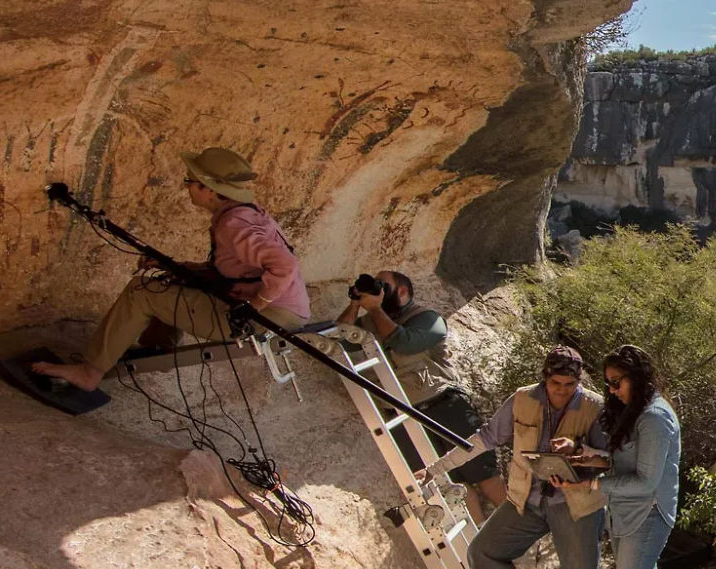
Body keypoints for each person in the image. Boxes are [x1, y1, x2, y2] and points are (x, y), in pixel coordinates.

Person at [33, 147, 311, 390]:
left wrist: (255, 306)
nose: (186, 186)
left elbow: (284, 265)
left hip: (267, 317)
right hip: (284, 312)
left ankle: (88, 373)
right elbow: (236, 270)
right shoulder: (244, 213)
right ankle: (156, 349)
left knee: (140, 291)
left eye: (190, 182)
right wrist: (180, 268)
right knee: (172, 281)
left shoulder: (233, 225)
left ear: (209, 189)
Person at [336, 270, 507, 523]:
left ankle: (521, 536)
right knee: (448, 483)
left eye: (383, 285)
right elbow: (340, 338)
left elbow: (404, 342)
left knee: (485, 475)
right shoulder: (370, 323)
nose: (378, 290)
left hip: (445, 405)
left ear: (402, 292)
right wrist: (355, 302)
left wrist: (373, 309)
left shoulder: (428, 319)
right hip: (403, 416)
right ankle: (481, 544)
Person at [418, 346, 608, 569]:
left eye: (570, 385)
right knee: (482, 553)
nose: (562, 391)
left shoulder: (595, 406)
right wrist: (434, 469)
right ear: (545, 377)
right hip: (527, 499)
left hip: (575, 503)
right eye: (556, 383)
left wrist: (577, 450)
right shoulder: (522, 398)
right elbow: (484, 438)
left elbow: (607, 459)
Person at [550, 345, 681, 569]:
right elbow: (623, 461)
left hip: (647, 514)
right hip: (625, 513)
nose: (612, 390)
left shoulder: (655, 418)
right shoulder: (634, 410)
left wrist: (592, 484)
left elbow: (646, 482)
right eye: (608, 384)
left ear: (636, 377)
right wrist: (585, 458)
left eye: (616, 382)